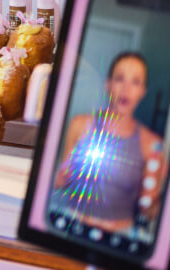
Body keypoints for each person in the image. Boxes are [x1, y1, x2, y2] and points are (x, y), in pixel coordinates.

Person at [53, 52, 166, 233]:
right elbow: (60, 181)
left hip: (120, 236)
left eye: (135, 82)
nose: (126, 89)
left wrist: (159, 197)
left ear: (142, 92)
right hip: (71, 226)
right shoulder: (80, 125)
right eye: (120, 78)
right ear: (108, 84)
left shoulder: (152, 144)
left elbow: (148, 209)